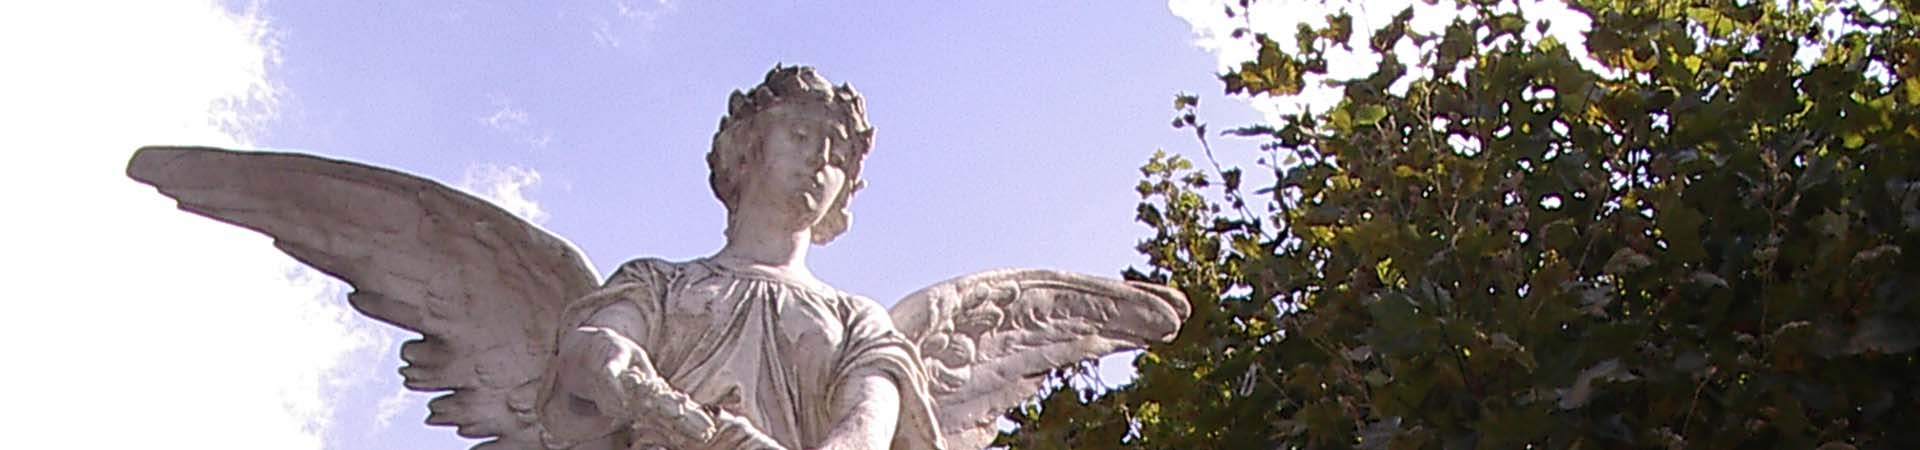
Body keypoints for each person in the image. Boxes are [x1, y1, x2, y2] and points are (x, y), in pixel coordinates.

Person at [537, 66, 945, 450]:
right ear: (745, 150)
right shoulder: (656, 284)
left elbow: (865, 431)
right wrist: (609, 359)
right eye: (800, 135)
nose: (820, 158)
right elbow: (587, 350)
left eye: (838, 156)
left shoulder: (858, 320)